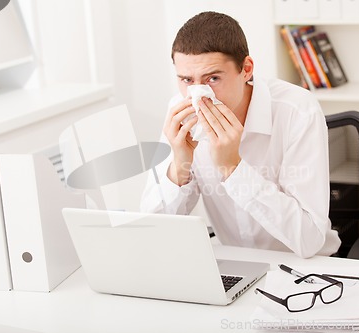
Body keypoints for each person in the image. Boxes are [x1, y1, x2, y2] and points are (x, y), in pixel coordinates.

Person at [140, 11, 341, 258]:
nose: (198, 95)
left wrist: (233, 168)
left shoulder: (297, 111)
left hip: (306, 267)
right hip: (234, 264)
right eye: (186, 80)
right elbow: (151, 231)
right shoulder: (180, 112)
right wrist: (180, 163)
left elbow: (309, 239)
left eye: (212, 78)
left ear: (246, 69)